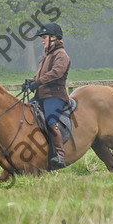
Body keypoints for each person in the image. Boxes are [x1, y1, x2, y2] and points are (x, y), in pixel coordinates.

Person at [23, 22, 71, 169]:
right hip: (41, 96)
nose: (42, 40)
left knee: (50, 122)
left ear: (54, 38)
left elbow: (57, 73)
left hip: (54, 95)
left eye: (44, 37)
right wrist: (30, 82)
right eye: (42, 37)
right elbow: (41, 75)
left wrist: (37, 82)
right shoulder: (46, 55)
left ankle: (60, 155)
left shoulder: (61, 55)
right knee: (23, 114)